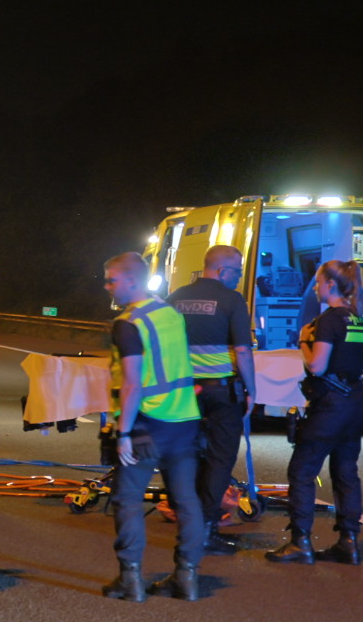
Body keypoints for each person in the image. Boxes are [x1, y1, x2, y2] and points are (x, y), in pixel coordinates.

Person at [100, 252, 204, 602]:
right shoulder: (169, 313)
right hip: (185, 420)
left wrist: (124, 432)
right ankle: (186, 577)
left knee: (127, 500)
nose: (107, 286)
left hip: (147, 424)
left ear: (132, 280)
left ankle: (130, 578)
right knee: (187, 500)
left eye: (112, 280)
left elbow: (132, 383)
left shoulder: (128, 324)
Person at [268, 260, 363, 565]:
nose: (315, 287)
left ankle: (300, 542)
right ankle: (348, 542)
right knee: (346, 473)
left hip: (331, 405)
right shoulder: (357, 319)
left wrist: (303, 340)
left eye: (318, 282)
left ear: (330, 284)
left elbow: (317, 366)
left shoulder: (327, 320)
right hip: (355, 401)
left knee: (301, 471)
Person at [166, 244, 257, 552]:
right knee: (220, 457)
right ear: (222, 271)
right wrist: (252, 390)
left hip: (181, 391)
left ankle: (185, 517)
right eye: (237, 272)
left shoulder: (175, 298)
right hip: (220, 391)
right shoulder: (232, 300)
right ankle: (204, 528)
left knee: (184, 455)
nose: (239, 278)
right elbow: (243, 351)